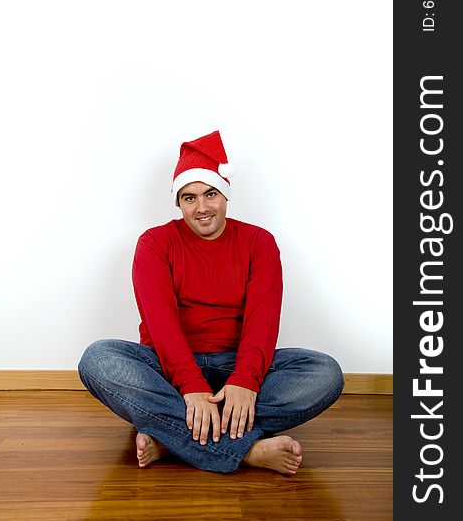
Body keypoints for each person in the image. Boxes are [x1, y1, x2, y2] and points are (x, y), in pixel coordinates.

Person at [78, 130, 344, 475]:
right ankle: (247, 450)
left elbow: (262, 321)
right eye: (189, 198)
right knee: (99, 358)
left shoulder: (259, 243)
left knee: (324, 373)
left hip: (237, 365)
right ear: (178, 203)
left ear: (225, 196)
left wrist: (245, 381)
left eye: (210, 194)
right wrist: (190, 385)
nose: (202, 208)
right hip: (170, 368)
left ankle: (172, 436)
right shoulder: (155, 243)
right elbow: (160, 324)